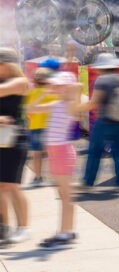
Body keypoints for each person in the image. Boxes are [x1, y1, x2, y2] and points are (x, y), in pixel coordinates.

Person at [33, 72, 83, 249]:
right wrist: (44, 92)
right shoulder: (57, 104)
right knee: (62, 195)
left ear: (68, 88)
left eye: (59, 85)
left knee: (66, 195)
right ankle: (66, 231)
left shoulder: (71, 104)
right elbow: (32, 109)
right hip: (54, 153)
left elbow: (79, 87)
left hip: (62, 153)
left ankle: (65, 234)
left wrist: (68, 86)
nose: (55, 88)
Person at [82, 54, 119, 189]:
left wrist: (77, 107)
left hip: (104, 121)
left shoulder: (102, 80)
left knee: (95, 152)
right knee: (118, 153)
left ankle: (88, 182)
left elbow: (94, 102)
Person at [0, 48, 31, 245]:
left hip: (15, 140)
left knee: (12, 186)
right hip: (2, 139)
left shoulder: (20, 82)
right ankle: (4, 227)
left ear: (8, 65)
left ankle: (23, 227)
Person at [25, 61, 59, 186]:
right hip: (52, 127)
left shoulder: (31, 93)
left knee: (37, 154)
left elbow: (27, 112)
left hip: (36, 127)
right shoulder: (54, 93)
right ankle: (55, 177)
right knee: (53, 154)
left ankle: (38, 177)